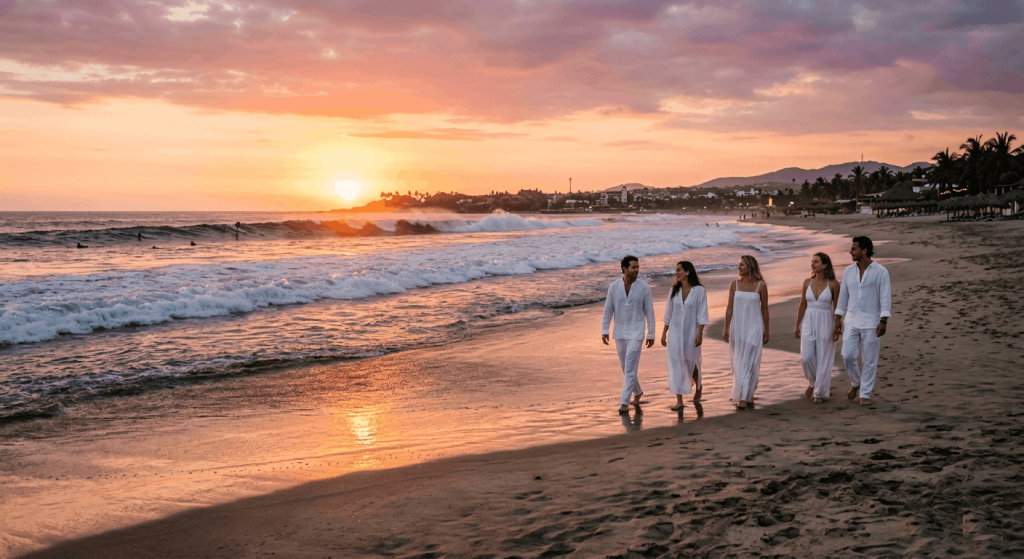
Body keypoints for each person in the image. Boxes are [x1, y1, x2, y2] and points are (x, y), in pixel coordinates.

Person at [834, 236, 891, 406]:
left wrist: (884, 320)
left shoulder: (881, 271)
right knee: (847, 355)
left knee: (870, 360)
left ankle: (865, 394)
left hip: (872, 321)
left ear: (864, 251)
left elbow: (885, 297)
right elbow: (843, 297)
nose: (850, 252)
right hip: (851, 320)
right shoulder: (848, 271)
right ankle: (856, 383)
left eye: (854, 249)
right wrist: (838, 318)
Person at [602, 255, 656, 415]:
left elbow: (650, 312)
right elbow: (607, 309)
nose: (637, 270)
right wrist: (604, 329)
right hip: (619, 333)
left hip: (636, 333)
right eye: (633, 267)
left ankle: (624, 403)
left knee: (631, 368)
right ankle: (637, 391)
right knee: (626, 369)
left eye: (638, 267)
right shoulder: (613, 287)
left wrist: (651, 333)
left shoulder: (644, 288)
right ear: (624, 268)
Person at [661, 261, 708, 411]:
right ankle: (679, 400)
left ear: (688, 272)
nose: (676, 273)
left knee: (690, 362)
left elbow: (702, 314)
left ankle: (698, 385)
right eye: (676, 270)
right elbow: (668, 313)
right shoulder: (674, 290)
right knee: (676, 364)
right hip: (675, 333)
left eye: (679, 270)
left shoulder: (699, 291)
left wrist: (700, 333)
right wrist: (663, 333)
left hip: (691, 332)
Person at [723, 255, 769, 410]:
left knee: (749, 362)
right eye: (739, 264)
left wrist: (767, 330)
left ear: (750, 266)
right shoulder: (734, 284)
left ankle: (743, 398)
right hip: (738, 328)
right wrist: (725, 327)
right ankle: (746, 395)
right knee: (738, 362)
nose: (738, 267)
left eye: (741, 265)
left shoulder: (761, 285)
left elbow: (764, 309)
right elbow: (729, 308)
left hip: (754, 327)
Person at [795, 253, 840, 403]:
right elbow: (802, 304)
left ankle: (819, 393)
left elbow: (837, 307)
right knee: (806, 357)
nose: (812, 264)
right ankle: (813, 382)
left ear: (825, 265)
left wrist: (837, 325)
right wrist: (797, 325)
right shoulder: (807, 282)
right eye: (812, 262)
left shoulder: (833, 284)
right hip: (809, 320)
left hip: (825, 320)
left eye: (816, 262)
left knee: (824, 357)